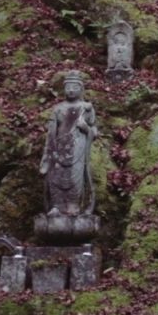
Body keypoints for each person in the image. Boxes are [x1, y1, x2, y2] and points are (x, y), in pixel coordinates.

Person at [39, 71, 97, 216]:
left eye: (75, 87)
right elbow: (51, 133)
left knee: (75, 176)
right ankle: (57, 206)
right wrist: (48, 154)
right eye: (68, 87)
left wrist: (86, 128)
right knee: (55, 176)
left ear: (81, 89)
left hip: (77, 148)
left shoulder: (86, 108)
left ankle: (73, 205)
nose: (71, 90)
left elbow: (94, 132)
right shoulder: (58, 109)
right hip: (58, 148)